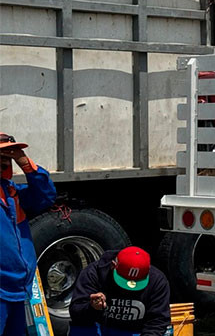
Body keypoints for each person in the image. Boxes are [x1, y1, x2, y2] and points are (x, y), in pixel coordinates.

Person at [0, 133, 56, 336]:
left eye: (8, 157)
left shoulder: (12, 192)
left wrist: (26, 164)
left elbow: (46, 197)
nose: (5, 162)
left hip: (19, 287)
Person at [69, 246, 170, 336]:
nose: (128, 290)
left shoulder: (157, 281)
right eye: (124, 281)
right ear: (113, 265)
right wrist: (92, 307)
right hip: (99, 327)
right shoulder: (93, 273)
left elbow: (158, 320)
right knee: (81, 329)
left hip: (136, 331)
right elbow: (76, 313)